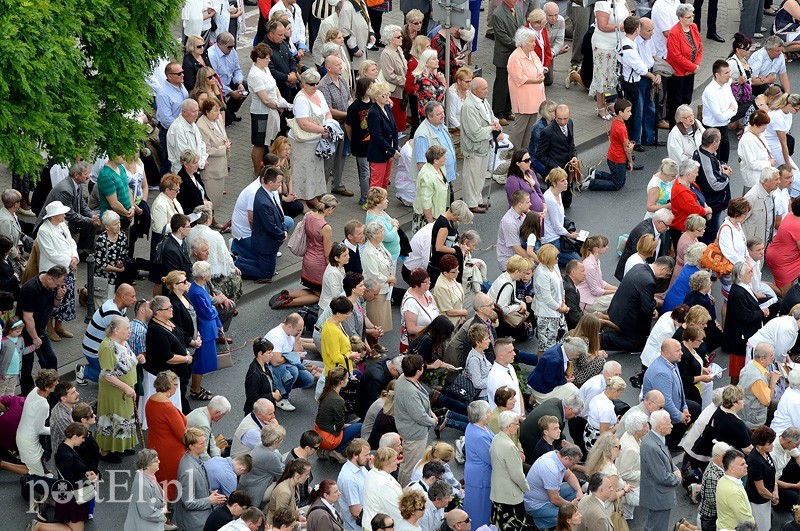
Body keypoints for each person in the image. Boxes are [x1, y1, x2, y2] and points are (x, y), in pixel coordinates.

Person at [602, 257, 674, 352]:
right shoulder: (649, 281)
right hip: (626, 317)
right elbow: (647, 308)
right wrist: (656, 304)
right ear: (663, 269)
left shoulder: (639, 267)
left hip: (616, 310)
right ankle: (599, 341)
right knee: (637, 344)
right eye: (667, 274)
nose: (665, 277)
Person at [33, 161, 99, 255]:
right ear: (76, 175)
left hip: (66, 218)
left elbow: (82, 204)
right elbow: (69, 214)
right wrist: (90, 220)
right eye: (85, 174)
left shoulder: (78, 185)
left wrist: (92, 216)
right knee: (89, 222)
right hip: (53, 222)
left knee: (90, 222)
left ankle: (84, 251)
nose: (88, 176)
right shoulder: (65, 189)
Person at [95, 316, 139, 456]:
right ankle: (105, 451)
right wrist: (126, 388)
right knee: (113, 417)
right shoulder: (108, 347)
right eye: (127, 328)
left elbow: (126, 361)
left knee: (125, 417)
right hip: (114, 391)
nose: (129, 331)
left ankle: (121, 446)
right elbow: (107, 375)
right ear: (116, 330)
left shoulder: (123, 342)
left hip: (126, 390)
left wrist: (138, 360)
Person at [35, 201, 79, 341]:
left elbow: (71, 242)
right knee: (51, 299)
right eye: (61, 213)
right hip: (52, 272)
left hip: (67, 270)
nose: (64, 215)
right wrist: (68, 261)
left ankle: (59, 326)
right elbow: (51, 253)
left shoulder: (62, 225)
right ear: (53, 216)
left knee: (65, 298)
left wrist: (74, 258)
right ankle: (49, 328)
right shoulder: (44, 231)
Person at [723, 261, 768, 383]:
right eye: (749, 272)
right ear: (739, 276)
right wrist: (761, 313)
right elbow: (744, 316)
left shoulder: (743, 288)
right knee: (737, 372)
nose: (752, 274)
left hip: (744, 335)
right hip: (740, 339)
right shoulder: (738, 292)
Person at [145, 371, 187, 501]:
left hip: (155, 446)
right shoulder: (168, 408)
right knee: (170, 486)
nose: (177, 387)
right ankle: (167, 514)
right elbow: (182, 434)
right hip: (171, 453)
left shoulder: (150, 401)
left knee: (160, 483)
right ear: (168, 386)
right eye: (175, 384)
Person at [460, 77, 500, 213]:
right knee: (471, 177)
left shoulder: (482, 100)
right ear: (474, 90)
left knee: (481, 175)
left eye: (487, 88)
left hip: (484, 145)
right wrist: (491, 129)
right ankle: (470, 204)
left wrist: (495, 121)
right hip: (474, 147)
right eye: (483, 89)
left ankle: (477, 199)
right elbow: (474, 133)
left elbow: (491, 115)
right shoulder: (469, 106)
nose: (487, 91)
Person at [395, 354, 436, 486]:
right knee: (411, 467)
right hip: (414, 434)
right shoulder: (410, 392)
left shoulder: (403, 378)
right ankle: (405, 492)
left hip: (410, 429)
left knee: (407, 464)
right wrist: (433, 421)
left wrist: (430, 412)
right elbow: (419, 417)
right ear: (418, 371)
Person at [639, 410, 682, 531]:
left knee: (653, 525)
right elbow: (661, 476)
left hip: (658, 495)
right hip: (658, 497)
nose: (672, 426)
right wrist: (677, 478)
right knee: (657, 527)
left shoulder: (655, 439)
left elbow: (667, 459)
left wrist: (675, 470)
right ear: (659, 426)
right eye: (669, 423)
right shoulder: (652, 446)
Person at [524, 445, 583, 529]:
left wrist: (579, 490)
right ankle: (540, 523)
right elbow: (554, 499)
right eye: (573, 463)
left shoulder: (557, 456)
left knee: (573, 490)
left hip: (549, 494)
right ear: (566, 458)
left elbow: (569, 475)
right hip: (537, 504)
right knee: (568, 518)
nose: (573, 466)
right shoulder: (551, 469)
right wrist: (571, 505)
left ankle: (551, 514)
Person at [489, 411, 530, 531]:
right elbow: (517, 474)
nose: (518, 427)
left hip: (498, 492)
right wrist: (526, 487)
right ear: (509, 426)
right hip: (510, 495)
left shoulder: (496, 438)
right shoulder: (510, 446)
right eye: (517, 424)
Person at [506, 28, 546, 151]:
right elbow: (519, 78)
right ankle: (513, 152)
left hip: (536, 98)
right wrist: (537, 80)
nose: (534, 44)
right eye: (531, 42)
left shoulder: (532, 53)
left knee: (530, 127)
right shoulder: (515, 57)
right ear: (522, 42)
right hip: (523, 98)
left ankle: (524, 151)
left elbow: (539, 67)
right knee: (520, 128)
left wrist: (542, 74)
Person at [187, 261, 222, 397]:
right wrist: (214, 312)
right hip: (205, 329)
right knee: (200, 362)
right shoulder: (196, 291)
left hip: (209, 327)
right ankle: (195, 389)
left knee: (203, 361)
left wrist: (217, 321)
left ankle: (197, 387)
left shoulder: (202, 286)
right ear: (203, 276)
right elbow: (208, 313)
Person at [315, 367, 362, 463]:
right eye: (347, 378)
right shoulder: (338, 400)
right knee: (360, 427)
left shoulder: (326, 391)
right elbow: (340, 425)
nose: (348, 380)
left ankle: (322, 448)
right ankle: (337, 451)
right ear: (341, 382)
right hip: (328, 438)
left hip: (319, 431)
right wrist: (350, 426)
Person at [16, 369, 57, 477]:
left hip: (24, 435)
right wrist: (56, 429)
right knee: (37, 476)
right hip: (28, 442)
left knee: (37, 468)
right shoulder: (43, 404)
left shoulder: (34, 390)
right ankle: (39, 492)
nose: (57, 383)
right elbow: (40, 429)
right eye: (55, 383)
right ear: (47, 388)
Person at [615, 207, 672, 281]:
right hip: (635, 275)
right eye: (667, 225)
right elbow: (642, 254)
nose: (668, 228)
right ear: (659, 222)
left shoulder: (658, 228)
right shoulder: (643, 233)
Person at [238, 423, 286, 506]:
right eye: (281, 439)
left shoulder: (259, 446)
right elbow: (282, 474)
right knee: (286, 481)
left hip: (247, 485)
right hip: (256, 491)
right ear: (275, 441)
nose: (282, 441)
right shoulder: (271, 456)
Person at [542, 169, 582, 265]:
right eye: (562, 181)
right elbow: (556, 225)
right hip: (552, 238)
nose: (566, 183)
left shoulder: (558, 193)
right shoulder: (550, 199)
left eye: (566, 180)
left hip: (558, 234)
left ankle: (553, 258)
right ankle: (549, 259)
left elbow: (561, 216)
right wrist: (569, 235)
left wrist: (569, 229)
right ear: (554, 183)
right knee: (577, 261)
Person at [463, 400, 493, 527]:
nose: (491, 414)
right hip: (480, 479)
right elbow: (491, 458)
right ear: (483, 415)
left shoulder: (477, 426)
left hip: (477, 476)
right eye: (489, 412)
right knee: (479, 512)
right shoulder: (479, 436)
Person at [362, 223, 396, 335]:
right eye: (379, 232)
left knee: (381, 320)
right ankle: (373, 345)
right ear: (371, 236)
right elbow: (374, 275)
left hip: (385, 287)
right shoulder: (369, 253)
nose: (383, 234)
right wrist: (388, 278)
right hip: (376, 290)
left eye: (382, 231)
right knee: (375, 320)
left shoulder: (379, 245)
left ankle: (377, 343)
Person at [534, 245, 569, 352]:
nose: (557, 259)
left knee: (562, 342)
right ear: (548, 258)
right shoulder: (541, 273)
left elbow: (561, 284)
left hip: (558, 311)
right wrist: (561, 309)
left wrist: (563, 301)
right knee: (545, 347)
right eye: (555, 257)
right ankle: (542, 368)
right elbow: (547, 298)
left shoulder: (554, 266)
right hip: (546, 314)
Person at [366, 81, 400, 191]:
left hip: (388, 152)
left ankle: (381, 204)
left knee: (385, 182)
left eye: (388, 94)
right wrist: (393, 151)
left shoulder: (387, 107)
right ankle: (372, 206)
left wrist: (394, 148)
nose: (387, 97)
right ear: (375, 97)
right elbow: (377, 137)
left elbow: (394, 128)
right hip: (378, 153)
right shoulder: (373, 113)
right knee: (376, 184)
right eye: (384, 95)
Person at [124, 449, 167, 531]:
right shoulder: (143, 485)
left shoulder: (148, 475)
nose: (159, 461)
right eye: (156, 461)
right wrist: (163, 511)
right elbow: (147, 513)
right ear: (147, 465)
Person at [745, 426, 778, 531]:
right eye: (769, 443)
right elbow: (761, 489)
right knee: (761, 526)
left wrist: (775, 491)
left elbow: (772, 475)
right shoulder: (755, 460)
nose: (772, 445)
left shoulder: (765, 453)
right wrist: (773, 497)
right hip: (758, 500)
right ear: (759, 445)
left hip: (767, 496)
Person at [363, 447, 404, 526]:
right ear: (386, 463)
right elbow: (396, 513)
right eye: (394, 460)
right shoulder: (385, 485)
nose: (398, 462)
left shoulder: (373, 472)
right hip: (380, 526)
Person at [767, 196, 800, 294]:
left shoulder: (791, 215)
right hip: (781, 260)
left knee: (789, 287)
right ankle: (756, 285)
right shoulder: (797, 226)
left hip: (789, 257)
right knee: (783, 292)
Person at [338, 438, 371, 531]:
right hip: (358, 526)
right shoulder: (349, 479)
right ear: (355, 455)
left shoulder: (360, 467)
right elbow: (356, 512)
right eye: (366, 455)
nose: (369, 457)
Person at [738, 109, 775, 194]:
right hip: (753, 179)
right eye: (764, 125)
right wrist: (769, 163)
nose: (765, 128)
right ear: (755, 125)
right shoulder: (747, 140)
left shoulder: (758, 133)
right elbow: (752, 164)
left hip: (761, 175)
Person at [716, 449, 754, 530]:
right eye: (742, 464)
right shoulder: (733, 492)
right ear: (732, 469)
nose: (746, 465)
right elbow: (746, 520)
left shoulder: (723, 479)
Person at [743, 167, 779, 246]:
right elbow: (738, 220)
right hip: (752, 246)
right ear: (766, 181)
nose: (779, 182)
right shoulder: (751, 197)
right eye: (776, 179)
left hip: (764, 242)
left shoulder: (771, 192)